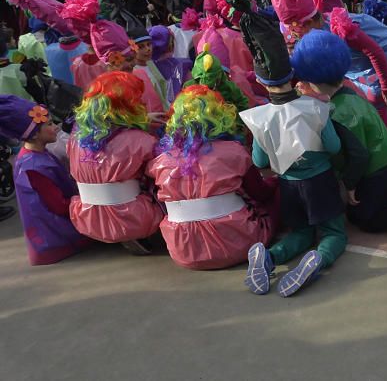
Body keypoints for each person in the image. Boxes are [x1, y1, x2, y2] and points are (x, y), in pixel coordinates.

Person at [239, 6, 359, 297]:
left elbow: (259, 161)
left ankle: (270, 257)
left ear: (261, 82)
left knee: (301, 233)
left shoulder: (259, 117)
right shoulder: (315, 107)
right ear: (293, 73)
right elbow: (333, 146)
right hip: (319, 182)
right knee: (333, 233)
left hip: (288, 186)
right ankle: (319, 258)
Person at [291, 30, 387, 240]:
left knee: (367, 220)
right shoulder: (352, 93)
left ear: (314, 80)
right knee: (355, 213)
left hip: (375, 170)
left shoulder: (336, 112)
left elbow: (359, 155)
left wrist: (350, 185)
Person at [148, 85, 277, 270]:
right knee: (275, 198)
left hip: (183, 251)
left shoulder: (160, 162)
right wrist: (276, 182)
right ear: (220, 115)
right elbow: (260, 193)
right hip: (241, 245)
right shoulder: (235, 152)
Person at [68, 71, 162, 253]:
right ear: (127, 106)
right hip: (132, 218)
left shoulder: (75, 138)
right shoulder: (142, 141)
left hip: (85, 217)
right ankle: (137, 233)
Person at [2, 96, 91, 264]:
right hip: (56, 236)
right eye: (49, 124)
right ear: (34, 135)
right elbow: (58, 205)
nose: (56, 128)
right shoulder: (34, 167)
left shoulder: (35, 154)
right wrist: (89, 201)